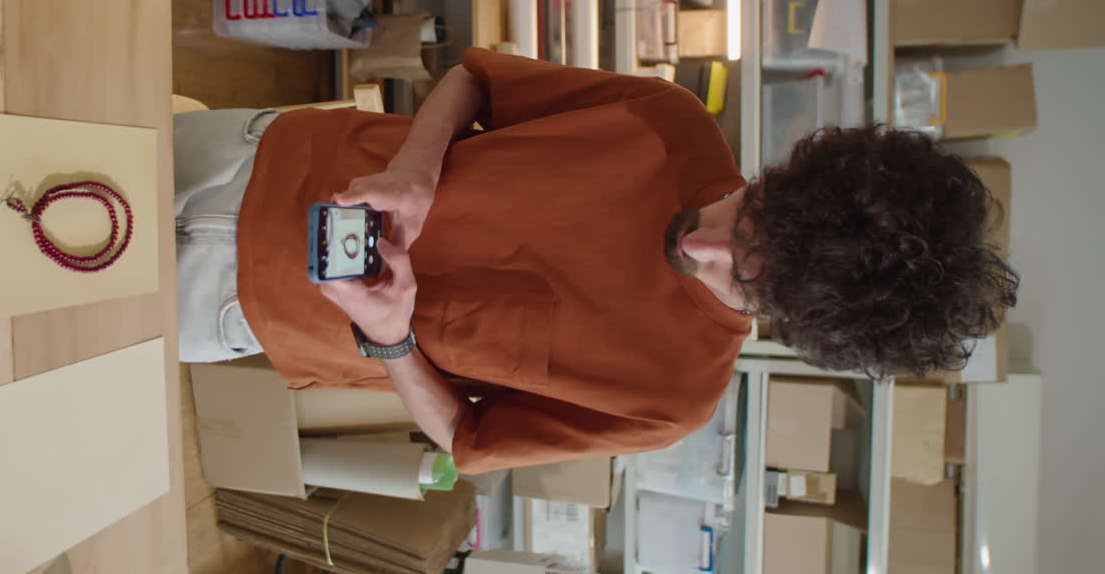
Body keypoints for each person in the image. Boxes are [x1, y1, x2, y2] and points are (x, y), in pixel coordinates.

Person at [173, 48, 1018, 475]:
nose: (701, 245)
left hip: (245, 310)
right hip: (266, 153)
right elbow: (475, 76)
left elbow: (466, 437)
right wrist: (416, 169)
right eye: (748, 211)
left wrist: (392, 341)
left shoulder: (670, 397)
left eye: (744, 278)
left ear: (794, 325)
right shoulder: (669, 119)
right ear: (787, 177)